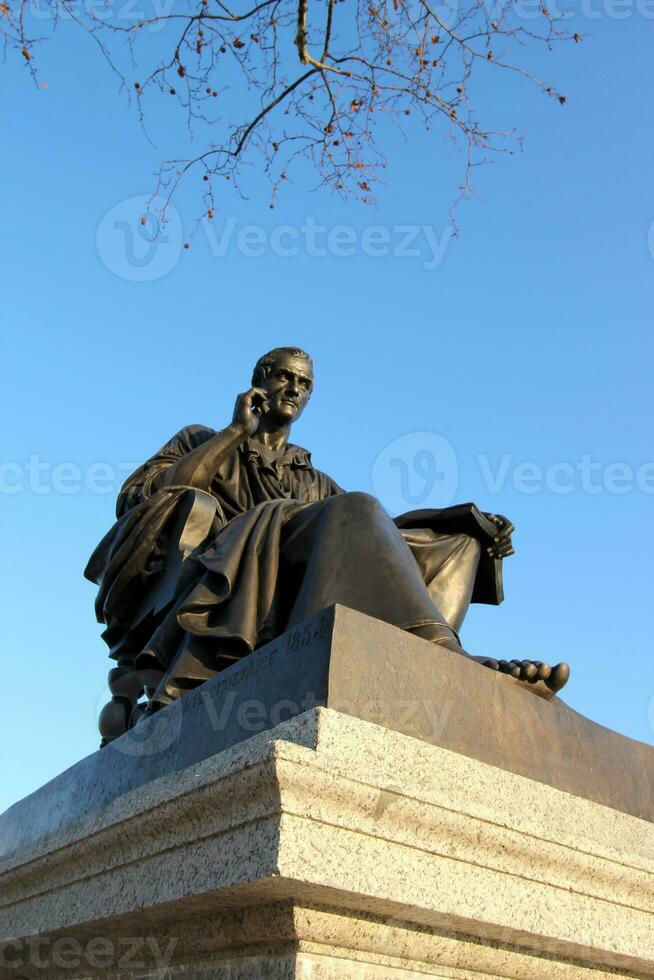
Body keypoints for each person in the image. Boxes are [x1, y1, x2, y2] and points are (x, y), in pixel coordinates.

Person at [87, 347, 569, 744]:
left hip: (293, 576)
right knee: (350, 507)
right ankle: (444, 655)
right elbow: (149, 495)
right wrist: (236, 432)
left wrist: (463, 524)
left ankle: (425, 656)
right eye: (284, 377)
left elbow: (372, 538)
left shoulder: (313, 480)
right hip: (221, 573)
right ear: (259, 379)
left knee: (455, 543)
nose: (295, 389)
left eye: (305, 384)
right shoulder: (202, 438)